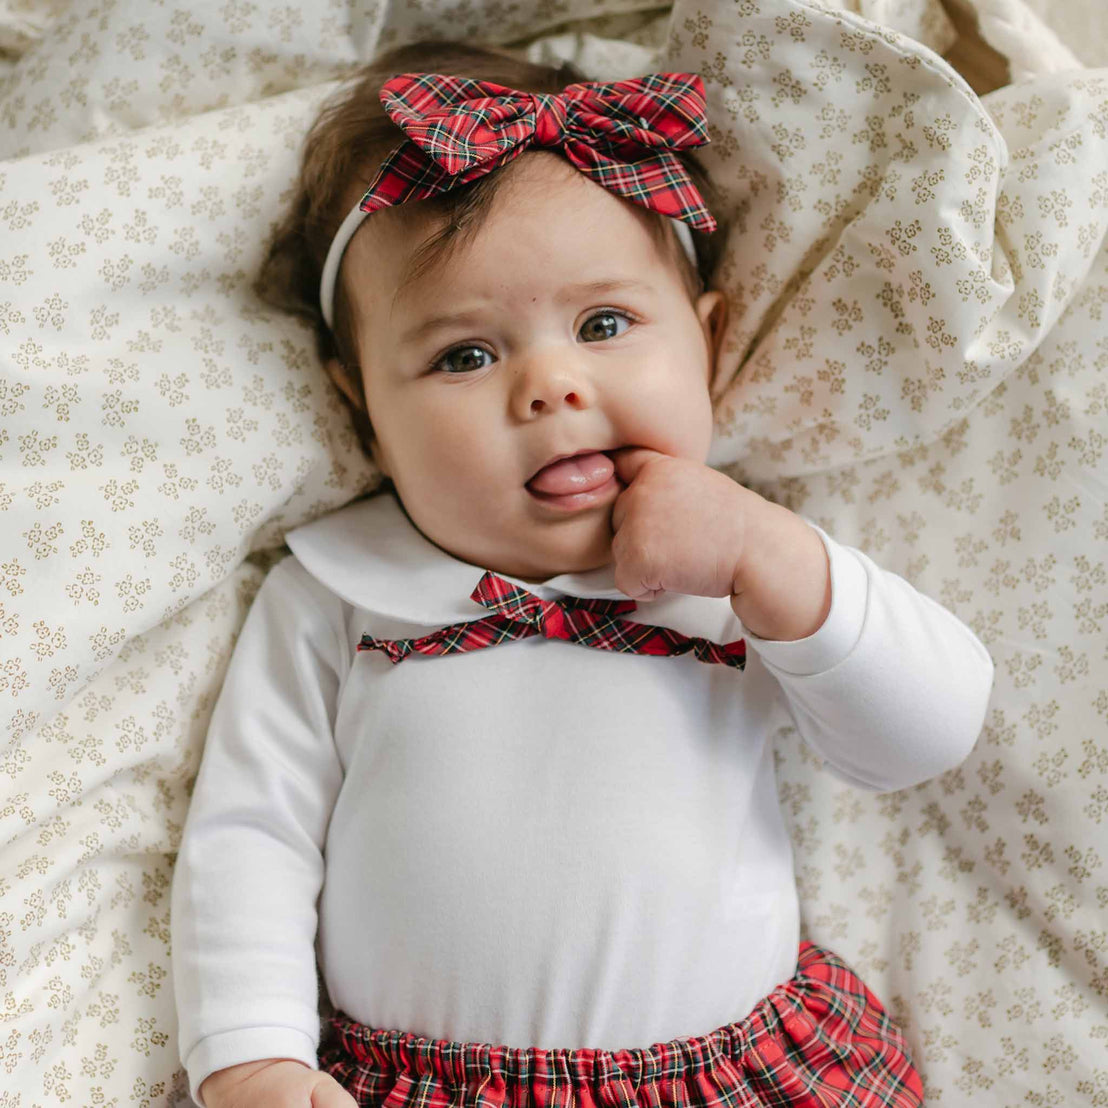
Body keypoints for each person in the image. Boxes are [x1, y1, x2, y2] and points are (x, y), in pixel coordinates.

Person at [170, 37, 996, 1108]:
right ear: (361, 408)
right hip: (414, 1085)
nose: (552, 385)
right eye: (465, 355)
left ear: (708, 343)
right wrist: (251, 1058)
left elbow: (922, 738)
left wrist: (769, 558)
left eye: (605, 325)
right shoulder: (333, 592)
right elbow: (251, 837)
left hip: (725, 1073)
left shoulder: (745, 568)